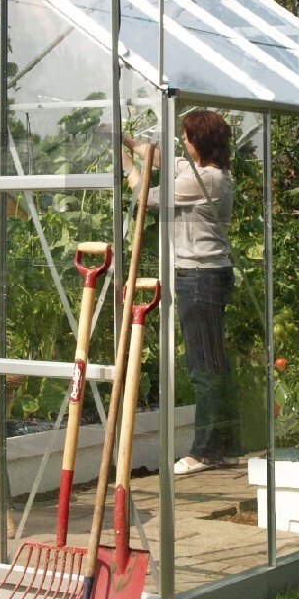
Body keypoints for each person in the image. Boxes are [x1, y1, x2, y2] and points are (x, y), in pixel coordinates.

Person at [122, 110, 240, 475]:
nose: (183, 142)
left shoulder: (206, 180)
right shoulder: (206, 172)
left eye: (187, 137)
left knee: (203, 368)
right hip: (208, 275)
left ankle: (205, 452)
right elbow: (165, 160)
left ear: (199, 143)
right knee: (215, 365)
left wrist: (126, 166)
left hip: (199, 278)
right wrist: (129, 142)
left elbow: (146, 195)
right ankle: (225, 447)